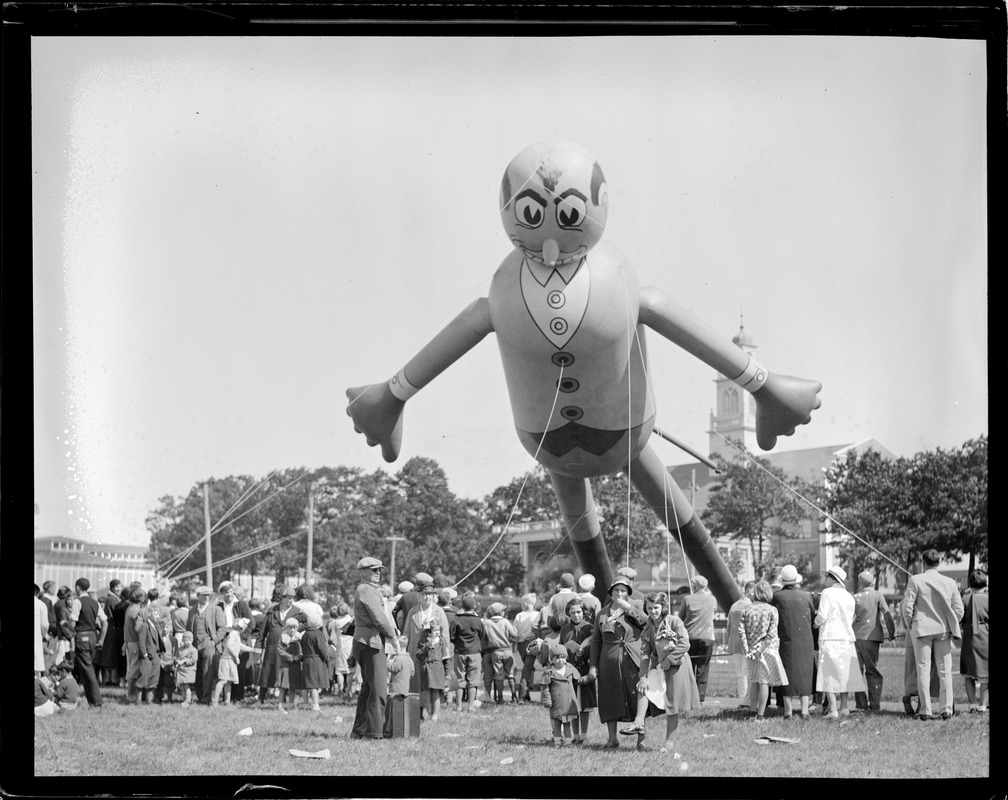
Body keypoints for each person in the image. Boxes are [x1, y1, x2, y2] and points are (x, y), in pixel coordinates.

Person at [625, 591, 699, 752]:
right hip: (659, 665)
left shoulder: (674, 621)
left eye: (656, 608)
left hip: (677, 665)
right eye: (649, 608)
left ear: (663, 607)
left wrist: (669, 660)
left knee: (672, 703)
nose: (653, 611)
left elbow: (685, 644)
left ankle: (668, 744)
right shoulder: (648, 626)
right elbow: (644, 653)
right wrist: (643, 676)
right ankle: (638, 723)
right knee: (643, 687)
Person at [588, 574, 651, 748]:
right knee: (610, 697)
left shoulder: (636, 606)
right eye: (617, 590)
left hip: (633, 659)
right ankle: (612, 738)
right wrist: (593, 665)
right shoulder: (602, 613)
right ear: (611, 592)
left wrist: (628, 608)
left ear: (628, 593)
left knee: (637, 696)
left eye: (623, 590)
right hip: (608, 663)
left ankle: (641, 739)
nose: (620, 593)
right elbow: (595, 641)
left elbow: (648, 624)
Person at [903, 549, 964, 721]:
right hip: (943, 630)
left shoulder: (915, 580)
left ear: (923, 562)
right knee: (945, 671)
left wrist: (910, 626)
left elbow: (908, 607)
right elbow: (959, 609)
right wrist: (951, 624)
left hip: (921, 630)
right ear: (938, 563)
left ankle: (925, 710)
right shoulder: (950, 582)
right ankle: (946, 709)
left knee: (923, 670)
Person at [351, 556, 400, 739]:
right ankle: (374, 733)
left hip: (368, 641)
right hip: (369, 642)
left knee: (368, 688)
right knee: (379, 689)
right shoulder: (366, 589)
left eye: (379, 570)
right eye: (374, 570)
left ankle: (360, 731)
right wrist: (393, 637)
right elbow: (379, 619)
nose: (378, 573)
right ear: (363, 572)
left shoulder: (369, 589)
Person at [814, 566, 865, 720]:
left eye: (827, 577)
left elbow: (822, 615)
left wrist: (814, 624)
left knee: (828, 673)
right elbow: (850, 618)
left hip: (829, 636)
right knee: (843, 674)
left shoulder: (827, 593)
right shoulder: (849, 596)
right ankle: (844, 707)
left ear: (833, 578)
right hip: (846, 638)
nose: (825, 579)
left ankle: (833, 710)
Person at [738, 580, 789, 722]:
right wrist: (760, 649)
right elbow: (771, 633)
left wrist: (748, 648)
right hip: (767, 650)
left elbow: (741, 631)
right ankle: (760, 716)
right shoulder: (772, 610)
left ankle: (751, 710)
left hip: (751, 650)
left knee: (753, 681)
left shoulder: (746, 609)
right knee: (764, 682)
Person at [772, 565, 816, 719]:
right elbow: (812, 616)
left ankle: (788, 712)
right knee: (804, 674)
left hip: (785, 641)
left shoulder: (776, 597)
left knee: (786, 673)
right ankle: (805, 711)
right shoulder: (806, 596)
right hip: (805, 640)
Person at [851, 569, 896, 713]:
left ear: (860, 583)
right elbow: (887, 615)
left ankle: (861, 705)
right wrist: (892, 633)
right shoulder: (878, 595)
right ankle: (875, 705)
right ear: (873, 582)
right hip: (873, 638)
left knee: (857, 672)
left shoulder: (855, 597)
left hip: (856, 637)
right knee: (873, 671)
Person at [405, 583, 450, 721]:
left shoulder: (439, 612)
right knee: (416, 685)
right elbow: (406, 633)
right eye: (424, 594)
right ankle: (418, 715)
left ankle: (434, 714)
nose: (427, 597)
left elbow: (445, 634)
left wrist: (444, 653)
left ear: (433, 596)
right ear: (419, 596)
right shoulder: (413, 612)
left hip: (433, 656)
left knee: (433, 686)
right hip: (416, 654)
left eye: (430, 594)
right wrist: (403, 652)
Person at [557, 597, 596, 744]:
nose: (576, 615)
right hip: (570, 669)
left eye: (578, 612)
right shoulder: (565, 629)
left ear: (583, 612)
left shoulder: (589, 628)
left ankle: (584, 735)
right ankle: (576, 735)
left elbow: (594, 647)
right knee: (572, 703)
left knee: (585, 704)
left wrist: (584, 652)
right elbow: (561, 647)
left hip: (585, 668)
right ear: (568, 613)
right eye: (572, 612)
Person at [257, 585, 306, 703]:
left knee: (285, 673)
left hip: (288, 648)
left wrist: (296, 631)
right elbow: (263, 631)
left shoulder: (297, 612)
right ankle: (261, 698)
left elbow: (307, 623)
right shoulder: (272, 611)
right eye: (289, 598)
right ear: (282, 598)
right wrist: (258, 647)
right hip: (272, 647)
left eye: (293, 598)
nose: (291, 601)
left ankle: (283, 699)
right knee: (267, 672)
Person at [678, 574, 717, 703]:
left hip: (690, 637)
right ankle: (700, 698)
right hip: (707, 637)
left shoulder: (687, 599)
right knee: (703, 668)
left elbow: (680, 618)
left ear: (694, 585)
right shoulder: (712, 600)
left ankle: (689, 695)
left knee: (689, 667)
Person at [539, 643, 581, 747]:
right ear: (552, 659)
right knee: (557, 722)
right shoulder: (549, 671)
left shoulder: (570, 669)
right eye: (557, 657)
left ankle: (568, 742)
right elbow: (545, 688)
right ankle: (557, 742)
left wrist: (587, 678)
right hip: (556, 702)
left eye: (563, 657)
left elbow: (578, 679)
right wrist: (547, 700)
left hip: (568, 702)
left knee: (567, 723)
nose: (560, 660)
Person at [960, 569, 989, 714]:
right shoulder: (987, 598)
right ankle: (982, 706)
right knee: (985, 675)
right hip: (985, 635)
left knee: (969, 673)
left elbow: (959, 616)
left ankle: (972, 704)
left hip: (969, 636)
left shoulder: (965, 599)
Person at [450, 592, 484, 713]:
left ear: (462, 606)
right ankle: (470, 706)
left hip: (459, 652)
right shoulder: (478, 620)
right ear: (474, 606)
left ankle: (459, 706)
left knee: (459, 680)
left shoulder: (456, 619)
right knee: (473, 680)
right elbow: (482, 635)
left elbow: (451, 635)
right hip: (474, 652)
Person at [214, 618, 257, 706]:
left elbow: (239, 646)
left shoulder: (235, 634)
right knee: (223, 680)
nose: (245, 627)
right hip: (227, 660)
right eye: (245, 625)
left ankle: (227, 701)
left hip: (230, 660)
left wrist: (252, 649)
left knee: (229, 681)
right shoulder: (234, 634)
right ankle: (214, 700)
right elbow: (230, 645)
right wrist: (236, 656)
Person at [482, 601, 519, 703]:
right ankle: (514, 696)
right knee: (511, 674)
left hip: (495, 652)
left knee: (499, 675)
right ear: (500, 612)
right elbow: (514, 634)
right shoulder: (505, 621)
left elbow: (484, 637)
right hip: (507, 651)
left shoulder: (487, 623)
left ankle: (500, 698)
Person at [185, 586, 217, 704]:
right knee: (197, 672)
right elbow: (188, 627)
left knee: (207, 672)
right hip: (194, 646)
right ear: (198, 596)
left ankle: (206, 698)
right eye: (204, 595)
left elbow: (222, 628)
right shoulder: (192, 610)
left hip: (208, 645)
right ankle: (199, 696)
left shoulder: (215, 609)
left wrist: (214, 640)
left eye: (209, 595)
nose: (207, 597)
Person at [727, 580, 755, 708]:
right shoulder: (751, 606)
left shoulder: (734, 605)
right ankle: (746, 701)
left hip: (734, 643)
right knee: (747, 674)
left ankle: (743, 701)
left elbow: (728, 627)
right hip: (747, 644)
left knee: (740, 674)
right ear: (752, 591)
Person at [299, 611, 332, 712]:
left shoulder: (305, 634)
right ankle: (315, 705)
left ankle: (305, 703)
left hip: (306, 659)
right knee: (314, 685)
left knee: (305, 684)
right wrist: (327, 659)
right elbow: (322, 649)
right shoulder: (318, 634)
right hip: (316, 660)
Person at [513, 593, 541, 703]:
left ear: (525, 603)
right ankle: (523, 694)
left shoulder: (519, 616)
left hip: (521, 644)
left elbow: (514, 632)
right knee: (527, 668)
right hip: (532, 643)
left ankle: (526, 693)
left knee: (528, 667)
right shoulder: (537, 614)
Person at [137, 601, 164, 704]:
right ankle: (138, 701)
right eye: (156, 614)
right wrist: (144, 655)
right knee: (143, 678)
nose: (158, 616)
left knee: (154, 679)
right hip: (147, 656)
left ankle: (149, 701)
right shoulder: (144, 625)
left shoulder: (156, 626)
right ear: (149, 614)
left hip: (156, 655)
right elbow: (141, 641)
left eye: (159, 614)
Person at [98, 580, 124, 685]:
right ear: (112, 587)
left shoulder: (112, 598)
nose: (118, 589)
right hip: (112, 628)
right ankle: (111, 680)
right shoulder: (112, 599)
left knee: (110, 654)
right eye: (116, 587)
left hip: (111, 627)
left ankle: (109, 679)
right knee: (111, 654)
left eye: (120, 586)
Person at [278, 617, 302, 712]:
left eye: (294, 627)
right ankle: (280, 704)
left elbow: (301, 652)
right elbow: (280, 651)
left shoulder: (298, 639)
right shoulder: (283, 639)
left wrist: (298, 657)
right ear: (286, 628)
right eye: (290, 627)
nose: (292, 630)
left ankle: (291, 704)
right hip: (285, 666)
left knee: (293, 686)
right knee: (283, 687)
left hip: (295, 666)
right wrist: (291, 657)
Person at [174, 630, 198, 705]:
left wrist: (184, 660)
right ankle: (185, 698)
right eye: (185, 640)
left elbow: (194, 660)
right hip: (181, 670)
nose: (187, 642)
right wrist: (176, 660)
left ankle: (188, 700)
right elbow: (177, 656)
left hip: (188, 670)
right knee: (181, 686)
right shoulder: (180, 649)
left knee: (186, 686)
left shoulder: (193, 650)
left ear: (192, 640)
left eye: (189, 640)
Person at [34, 585, 50, 676]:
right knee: (36, 665)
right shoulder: (41, 604)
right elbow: (44, 624)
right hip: (36, 637)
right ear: (37, 593)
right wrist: (44, 634)